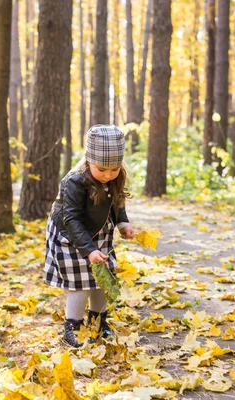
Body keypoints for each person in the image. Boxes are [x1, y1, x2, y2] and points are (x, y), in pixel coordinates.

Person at [44, 124, 134, 347]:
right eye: (102, 169)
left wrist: (123, 223)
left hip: (99, 232)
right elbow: (72, 219)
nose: (108, 175)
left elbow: (117, 201)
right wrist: (89, 250)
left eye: (114, 169)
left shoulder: (114, 177)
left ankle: (98, 322)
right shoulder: (74, 182)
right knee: (81, 283)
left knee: (103, 280)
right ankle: (73, 326)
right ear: (88, 161)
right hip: (71, 235)